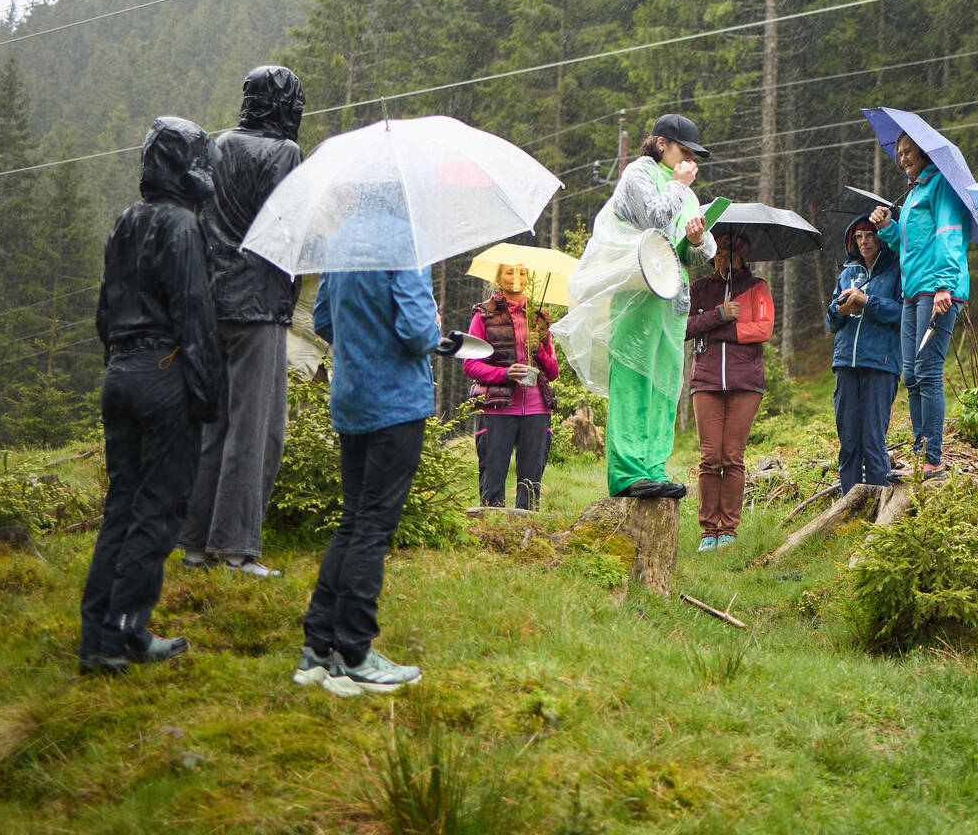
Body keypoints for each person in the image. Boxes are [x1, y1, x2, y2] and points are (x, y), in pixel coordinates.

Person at [80, 118, 227, 674]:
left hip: (119, 370)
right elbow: (195, 314)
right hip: (161, 370)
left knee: (121, 506)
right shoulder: (181, 226)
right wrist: (206, 394)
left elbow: (102, 311)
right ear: (184, 165)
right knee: (156, 509)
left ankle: (98, 637)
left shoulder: (125, 221)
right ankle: (125, 634)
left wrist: (121, 364)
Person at [294, 230, 448, 697]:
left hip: (351, 396)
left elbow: (322, 319)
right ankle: (356, 653)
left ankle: (319, 648)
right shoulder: (404, 243)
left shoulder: (341, 243)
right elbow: (419, 331)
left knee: (353, 521)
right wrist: (434, 325)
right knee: (373, 527)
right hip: (395, 401)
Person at [178, 66, 304, 578]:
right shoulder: (284, 153)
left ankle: (194, 545)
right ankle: (235, 549)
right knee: (258, 429)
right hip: (258, 306)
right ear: (283, 106)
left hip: (213, 304)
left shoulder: (217, 144)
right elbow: (286, 227)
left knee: (216, 425)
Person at [561, 113, 716, 501]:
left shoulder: (686, 190)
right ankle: (628, 474)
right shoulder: (638, 174)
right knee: (632, 379)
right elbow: (655, 221)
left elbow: (701, 255)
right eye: (684, 152)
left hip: (672, 303)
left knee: (664, 385)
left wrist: (698, 240)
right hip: (635, 296)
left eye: (693, 156)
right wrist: (681, 187)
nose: (689, 163)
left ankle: (653, 469)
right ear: (661, 143)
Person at [873, 132, 971, 475]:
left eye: (908, 151)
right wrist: (887, 227)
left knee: (928, 372)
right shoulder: (915, 192)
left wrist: (945, 285)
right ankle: (919, 456)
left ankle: (932, 459)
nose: (902, 158)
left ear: (925, 153)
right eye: (899, 153)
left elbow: (950, 233)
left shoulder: (942, 186)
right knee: (911, 373)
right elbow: (909, 244)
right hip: (913, 293)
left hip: (938, 290)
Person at [685, 231, 769, 550]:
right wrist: (719, 315)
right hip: (705, 380)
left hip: (745, 382)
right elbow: (685, 328)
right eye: (717, 253)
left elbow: (763, 329)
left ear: (742, 257)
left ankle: (729, 530)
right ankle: (708, 529)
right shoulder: (700, 289)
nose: (722, 260)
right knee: (710, 457)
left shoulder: (757, 287)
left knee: (732, 457)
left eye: (729, 254)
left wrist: (725, 330)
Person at [463, 262, 559, 511]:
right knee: (492, 480)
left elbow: (553, 372)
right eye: (509, 272)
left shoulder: (539, 319)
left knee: (530, 483)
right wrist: (504, 373)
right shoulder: (483, 314)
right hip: (497, 407)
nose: (516, 277)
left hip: (537, 408)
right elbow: (470, 365)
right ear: (498, 278)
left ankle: (528, 540)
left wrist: (538, 348)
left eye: (522, 272)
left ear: (529, 279)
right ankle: (491, 538)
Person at [827, 216, 903, 492]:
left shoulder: (897, 269)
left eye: (869, 235)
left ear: (880, 237)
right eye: (858, 237)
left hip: (881, 364)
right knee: (848, 441)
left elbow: (904, 313)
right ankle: (849, 506)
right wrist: (838, 310)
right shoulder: (848, 273)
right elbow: (829, 322)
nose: (864, 241)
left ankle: (877, 507)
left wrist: (867, 302)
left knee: (873, 440)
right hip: (846, 362)